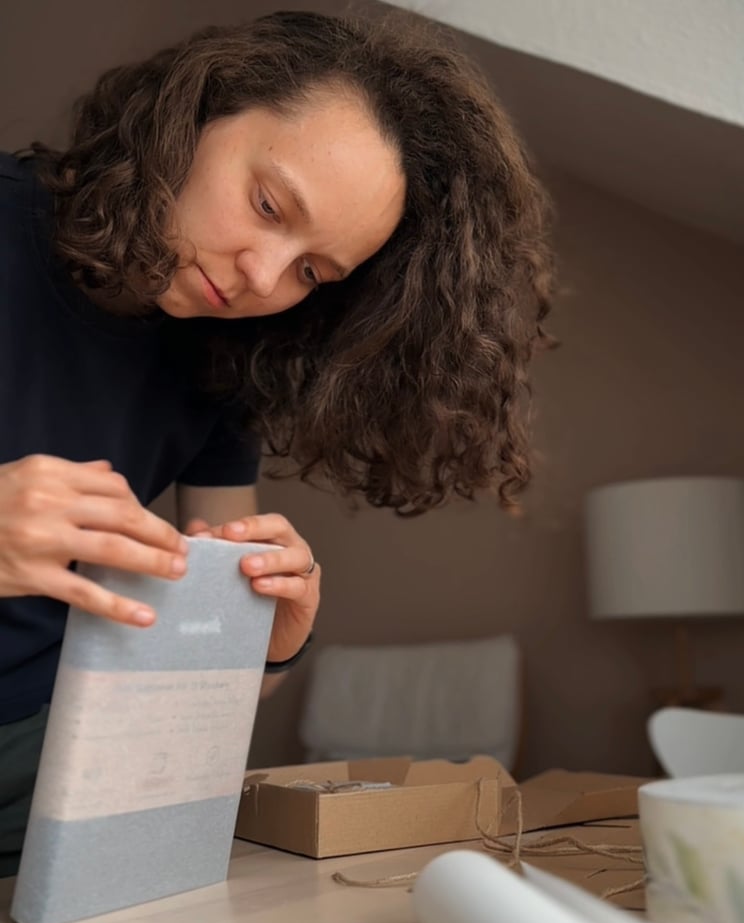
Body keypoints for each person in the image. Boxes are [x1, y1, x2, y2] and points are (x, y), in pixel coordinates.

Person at [0, 9, 554, 875]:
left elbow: (209, 686)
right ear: (197, 112)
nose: (261, 276)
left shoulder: (222, 364)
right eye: (267, 205)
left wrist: (268, 636)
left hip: (44, 762)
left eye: (310, 272)